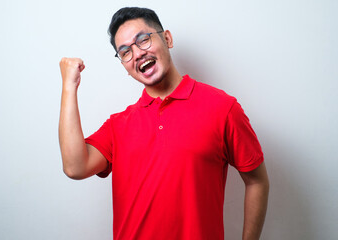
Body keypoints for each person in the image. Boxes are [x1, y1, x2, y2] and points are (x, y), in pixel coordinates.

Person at [59, 7, 269, 240]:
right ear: (125, 67)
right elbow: (75, 167)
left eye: (143, 40)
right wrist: (70, 86)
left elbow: (257, 181)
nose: (137, 53)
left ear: (167, 38)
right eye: (125, 52)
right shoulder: (118, 126)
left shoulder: (223, 108)